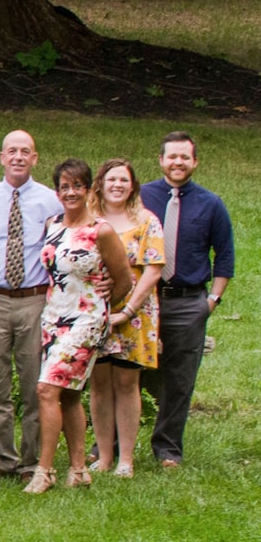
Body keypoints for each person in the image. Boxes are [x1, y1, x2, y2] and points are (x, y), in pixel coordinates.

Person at [25, 160, 135, 494]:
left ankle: (44, 471)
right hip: (53, 316)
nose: (70, 192)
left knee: (47, 389)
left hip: (86, 321)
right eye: (64, 186)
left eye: (77, 186)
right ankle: (78, 470)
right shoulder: (52, 225)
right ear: (57, 191)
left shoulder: (101, 230)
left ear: (89, 189)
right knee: (70, 395)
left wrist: (102, 303)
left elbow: (124, 280)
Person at [0, 130, 62, 477]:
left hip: (35, 301)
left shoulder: (51, 201)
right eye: (12, 151)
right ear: (1, 157)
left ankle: (32, 460)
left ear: (35, 158)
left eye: (25, 152)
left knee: (36, 384)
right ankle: (3, 458)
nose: (18, 157)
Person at [140, 132, 233, 470]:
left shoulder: (211, 204)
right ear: (161, 160)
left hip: (188, 301)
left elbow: (225, 257)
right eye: (172, 156)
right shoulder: (142, 197)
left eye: (184, 157)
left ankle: (167, 449)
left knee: (180, 380)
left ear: (195, 162)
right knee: (129, 373)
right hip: (144, 299)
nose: (178, 162)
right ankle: (111, 443)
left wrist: (211, 301)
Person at [90, 159, 164, 476]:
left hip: (136, 313)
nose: (117, 185)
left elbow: (153, 270)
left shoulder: (147, 221)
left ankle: (126, 459)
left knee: (126, 381)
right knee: (99, 383)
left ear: (132, 185)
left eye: (124, 180)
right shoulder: (90, 221)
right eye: (111, 179)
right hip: (96, 311)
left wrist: (128, 310)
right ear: (101, 184)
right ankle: (104, 456)